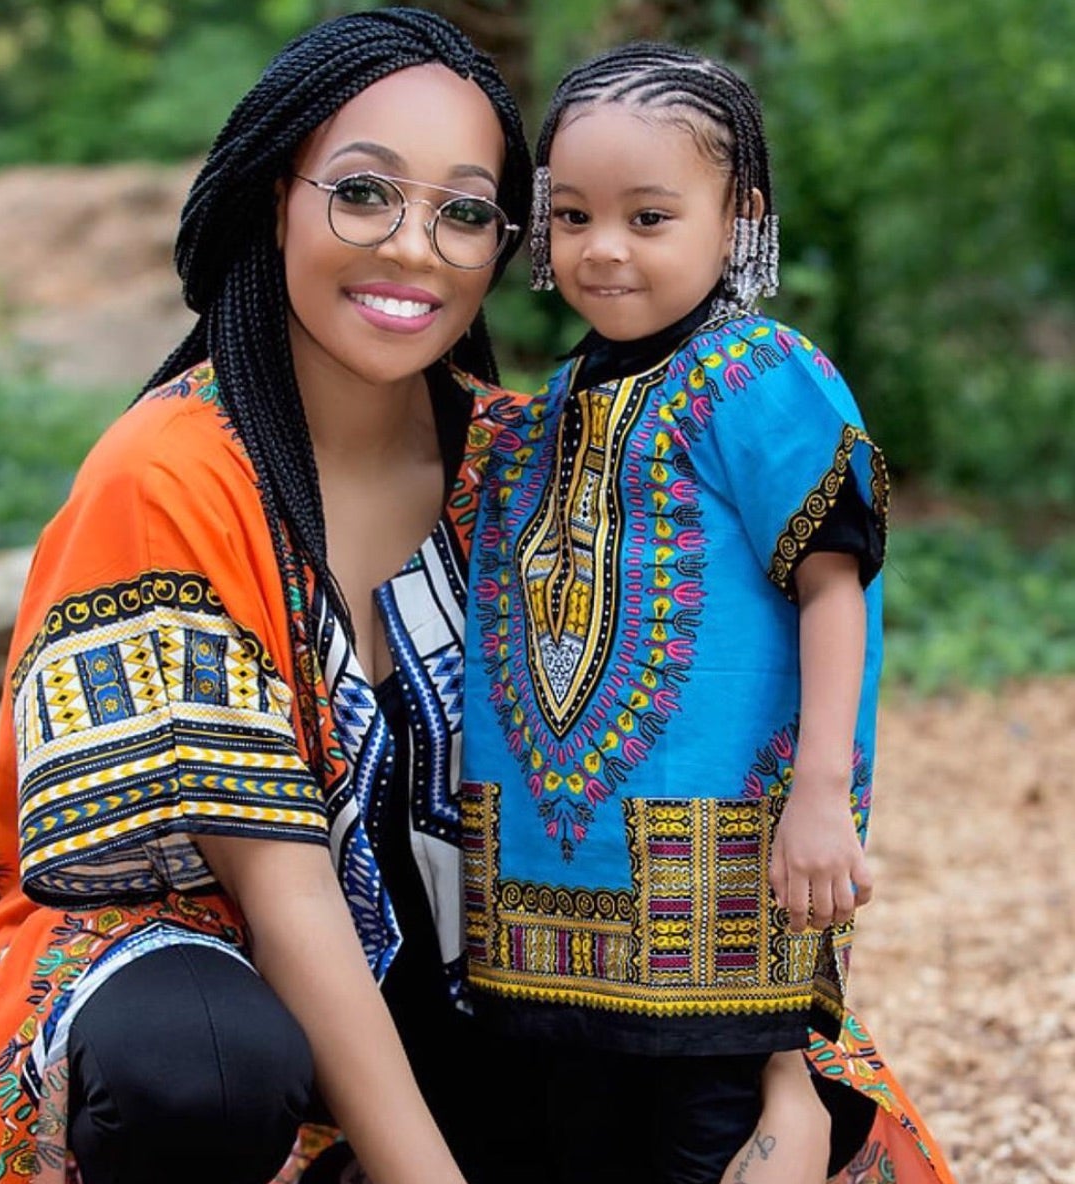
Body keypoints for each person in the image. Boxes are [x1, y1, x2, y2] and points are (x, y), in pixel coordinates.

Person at [0, 10, 539, 1184]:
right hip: (197, 953)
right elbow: (282, 886)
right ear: (271, 195)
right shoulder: (174, 471)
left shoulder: (527, 469)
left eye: (465, 210)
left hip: (458, 966)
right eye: (363, 192)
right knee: (200, 1067)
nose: (415, 247)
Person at [460, 43, 954, 1184]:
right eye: (572, 214)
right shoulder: (563, 398)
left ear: (740, 220)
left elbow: (838, 579)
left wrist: (824, 793)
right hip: (554, 908)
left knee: (702, 1141)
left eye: (648, 215)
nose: (603, 248)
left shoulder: (763, 373)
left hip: (720, 891)